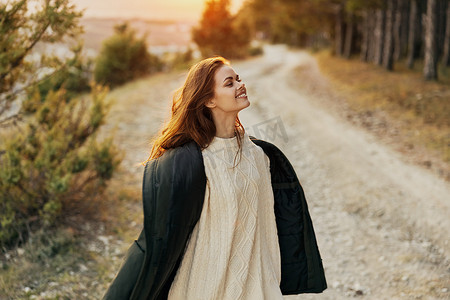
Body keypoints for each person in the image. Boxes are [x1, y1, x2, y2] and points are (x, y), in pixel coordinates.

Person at [102, 57, 327, 300]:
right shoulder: (193, 162)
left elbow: (268, 227)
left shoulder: (262, 157)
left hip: (257, 287)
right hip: (203, 286)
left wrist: (271, 282)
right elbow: (159, 240)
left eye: (238, 79)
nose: (241, 85)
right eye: (229, 83)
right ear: (209, 99)